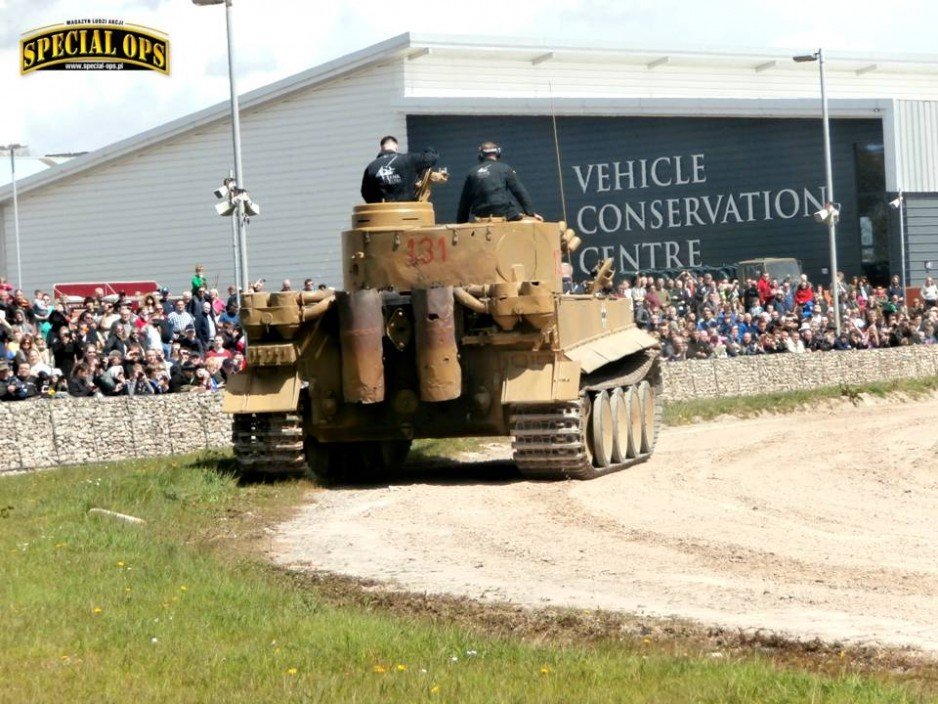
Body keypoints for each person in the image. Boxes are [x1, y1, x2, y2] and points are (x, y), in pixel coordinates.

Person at [456, 142, 542, 224]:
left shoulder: (472, 172)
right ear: (498, 153)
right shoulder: (505, 169)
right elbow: (520, 192)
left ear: (481, 155)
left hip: (481, 216)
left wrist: (461, 223)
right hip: (505, 214)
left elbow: (464, 202)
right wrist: (530, 213)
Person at [360, 135, 438, 203]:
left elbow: (365, 193)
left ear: (381, 148)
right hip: (407, 213)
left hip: (382, 215)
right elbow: (432, 158)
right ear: (396, 147)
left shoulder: (371, 167)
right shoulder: (408, 159)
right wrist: (429, 149)